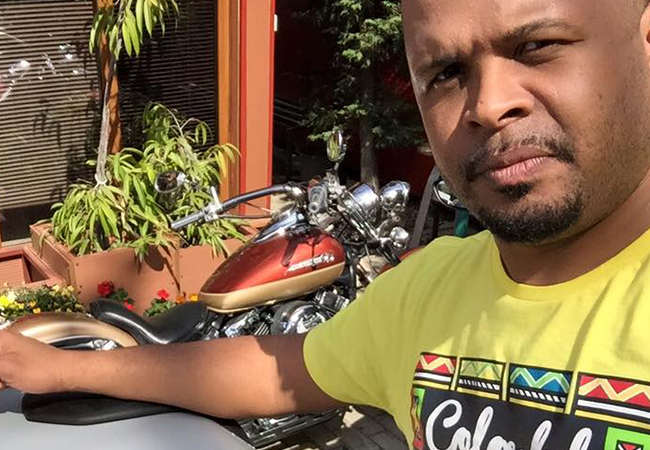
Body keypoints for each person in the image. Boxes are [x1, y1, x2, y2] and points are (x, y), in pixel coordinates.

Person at [2, 0, 650, 447]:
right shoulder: (425, 294)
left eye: (536, 46)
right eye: (446, 73)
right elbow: (276, 369)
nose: (489, 103)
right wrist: (68, 370)